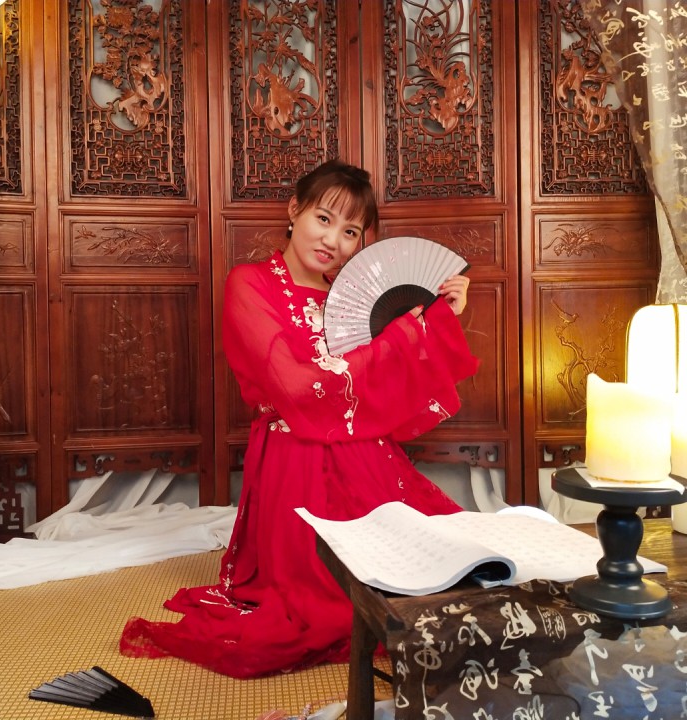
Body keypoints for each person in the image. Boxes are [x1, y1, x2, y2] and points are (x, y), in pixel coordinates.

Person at [120, 159, 480, 678]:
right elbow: (292, 385)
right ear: (294, 210)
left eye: (351, 231)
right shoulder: (249, 284)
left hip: (365, 452)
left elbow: (386, 378)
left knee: (446, 566)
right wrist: (401, 336)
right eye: (324, 219)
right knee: (327, 597)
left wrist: (439, 316)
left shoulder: (352, 295)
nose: (333, 240)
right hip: (294, 456)